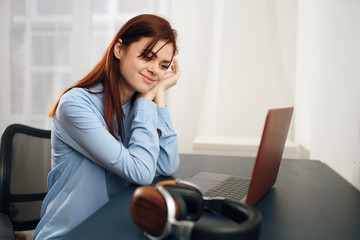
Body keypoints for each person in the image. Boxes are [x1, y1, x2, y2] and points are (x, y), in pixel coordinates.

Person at [33, 14, 180, 240]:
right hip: (71, 234)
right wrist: (145, 102)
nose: (154, 70)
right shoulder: (76, 105)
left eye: (163, 65)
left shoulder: (136, 107)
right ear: (119, 49)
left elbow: (167, 163)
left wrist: (158, 94)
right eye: (147, 57)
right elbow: (141, 172)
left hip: (114, 226)